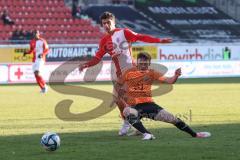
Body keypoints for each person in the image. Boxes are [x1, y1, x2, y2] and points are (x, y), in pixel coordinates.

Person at [78, 11, 172, 136]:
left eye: (108, 22)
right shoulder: (104, 41)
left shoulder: (124, 32)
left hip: (131, 71)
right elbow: (97, 58)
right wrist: (86, 65)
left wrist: (160, 41)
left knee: (127, 100)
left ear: (113, 22)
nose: (106, 25)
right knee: (118, 99)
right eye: (104, 23)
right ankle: (131, 123)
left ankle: (134, 125)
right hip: (119, 74)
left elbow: (141, 37)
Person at [117, 52, 211, 140]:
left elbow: (169, 81)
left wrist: (176, 75)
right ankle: (147, 134)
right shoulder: (128, 73)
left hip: (149, 105)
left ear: (149, 63)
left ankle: (195, 134)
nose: (143, 63)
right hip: (134, 106)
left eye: (145, 62)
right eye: (141, 61)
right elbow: (119, 86)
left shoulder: (152, 73)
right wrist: (124, 98)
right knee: (127, 111)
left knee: (173, 119)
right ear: (137, 62)